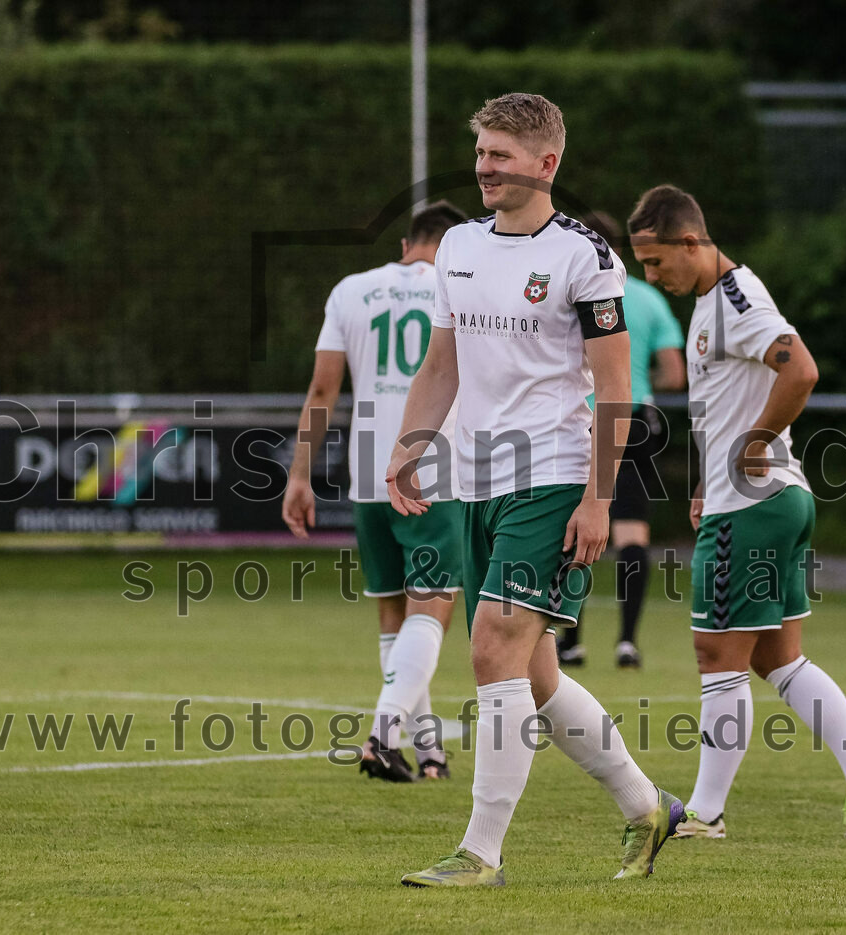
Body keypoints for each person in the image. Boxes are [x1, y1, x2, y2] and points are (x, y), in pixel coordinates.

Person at [385, 93, 684, 887]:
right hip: (477, 481)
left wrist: (598, 497)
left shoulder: (587, 258)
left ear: (546, 164)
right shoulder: (456, 246)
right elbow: (440, 365)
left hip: (553, 474)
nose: (485, 167)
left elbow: (615, 389)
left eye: (501, 155)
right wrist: (410, 447)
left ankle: (480, 853)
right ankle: (647, 806)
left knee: (490, 647)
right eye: (481, 152)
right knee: (536, 670)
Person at [627, 184, 846, 839]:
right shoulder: (714, 302)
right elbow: (730, 400)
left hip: (752, 506)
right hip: (775, 498)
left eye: (657, 261)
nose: (651, 275)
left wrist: (751, 445)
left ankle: (706, 813)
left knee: (714, 653)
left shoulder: (733, 301)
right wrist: (711, 475)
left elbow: (799, 370)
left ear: (690, 242)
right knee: (779, 658)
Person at [282, 200, 468, 783]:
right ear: (450, 245)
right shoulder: (460, 283)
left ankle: (429, 751)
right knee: (432, 610)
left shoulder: (350, 290)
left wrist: (298, 473)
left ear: (406, 244)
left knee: (396, 613)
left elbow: (321, 389)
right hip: (436, 467)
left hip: (370, 472)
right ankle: (383, 738)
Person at [557, 210, 686, 669]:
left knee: (574, 531)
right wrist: (637, 380)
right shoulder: (648, 299)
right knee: (632, 532)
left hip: (581, 418)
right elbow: (674, 372)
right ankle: (627, 641)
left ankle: (569, 640)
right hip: (634, 421)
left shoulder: (565, 288)